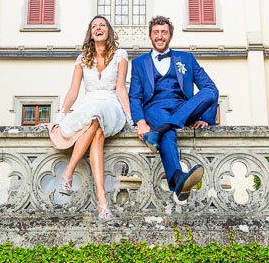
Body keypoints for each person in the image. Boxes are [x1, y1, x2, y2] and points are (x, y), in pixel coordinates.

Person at [49, 15, 132, 221]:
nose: (98, 28)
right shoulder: (82, 59)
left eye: (102, 25)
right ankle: (102, 201)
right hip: (89, 105)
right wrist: (61, 115)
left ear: (108, 31)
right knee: (96, 130)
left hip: (112, 105)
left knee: (98, 114)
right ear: (91, 34)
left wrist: (131, 117)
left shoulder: (121, 56)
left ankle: (68, 172)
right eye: (94, 26)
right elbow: (73, 91)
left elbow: (121, 88)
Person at [129, 15, 218, 201]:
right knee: (168, 133)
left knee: (209, 93)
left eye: (164, 32)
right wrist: (140, 121)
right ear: (150, 36)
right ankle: (179, 179)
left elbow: (210, 88)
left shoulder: (186, 58)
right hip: (154, 107)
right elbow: (135, 96)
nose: (160, 36)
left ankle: (159, 131)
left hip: (183, 106)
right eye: (156, 33)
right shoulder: (138, 63)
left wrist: (206, 119)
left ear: (170, 36)